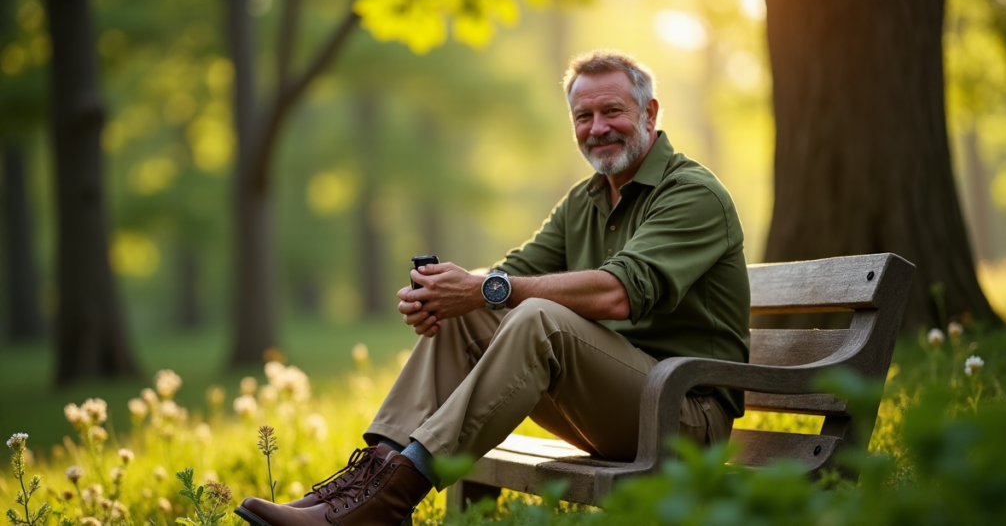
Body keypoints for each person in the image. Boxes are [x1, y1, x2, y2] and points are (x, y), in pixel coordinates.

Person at [235, 49, 750, 526]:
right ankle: (368, 481)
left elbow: (619, 293)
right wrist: (444, 293)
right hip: (614, 406)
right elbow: (509, 274)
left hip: (682, 419)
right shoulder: (584, 200)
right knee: (476, 308)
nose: (597, 128)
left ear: (650, 113)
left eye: (612, 111)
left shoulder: (691, 194)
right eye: (583, 117)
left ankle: (386, 502)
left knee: (532, 314)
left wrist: (485, 290)